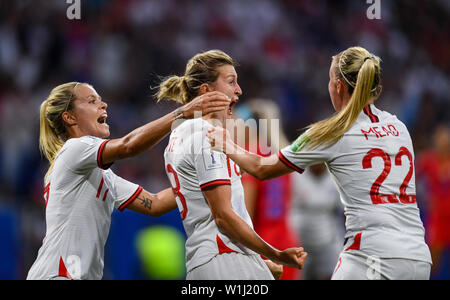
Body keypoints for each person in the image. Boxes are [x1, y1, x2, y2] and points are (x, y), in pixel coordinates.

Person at [207, 46, 432, 280]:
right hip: (417, 256)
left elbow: (261, 169)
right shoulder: (399, 128)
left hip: (370, 257)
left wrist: (226, 144)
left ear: (338, 86)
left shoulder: (331, 132)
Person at [27, 81, 231, 280]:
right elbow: (128, 146)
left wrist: (212, 176)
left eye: (100, 99)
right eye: (91, 101)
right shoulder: (74, 148)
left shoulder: (101, 175)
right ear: (69, 117)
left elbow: (155, 204)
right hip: (58, 274)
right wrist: (182, 113)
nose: (103, 104)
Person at [158, 49, 307, 280]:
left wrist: (261, 261)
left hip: (210, 258)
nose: (239, 90)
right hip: (226, 258)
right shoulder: (207, 136)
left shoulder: (178, 137)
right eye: (231, 82)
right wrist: (276, 254)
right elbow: (224, 216)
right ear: (206, 91)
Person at [235, 99, 301, 280]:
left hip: (262, 245)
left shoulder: (249, 156)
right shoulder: (281, 155)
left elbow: (246, 212)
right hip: (286, 241)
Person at [290, 163, 343, 280]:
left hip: (326, 240)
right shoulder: (294, 175)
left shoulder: (335, 177)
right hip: (298, 243)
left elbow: (344, 213)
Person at [416, 124, 450, 279]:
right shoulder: (428, 160)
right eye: (439, 140)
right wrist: (422, 198)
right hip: (437, 217)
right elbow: (410, 177)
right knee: (432, 262)